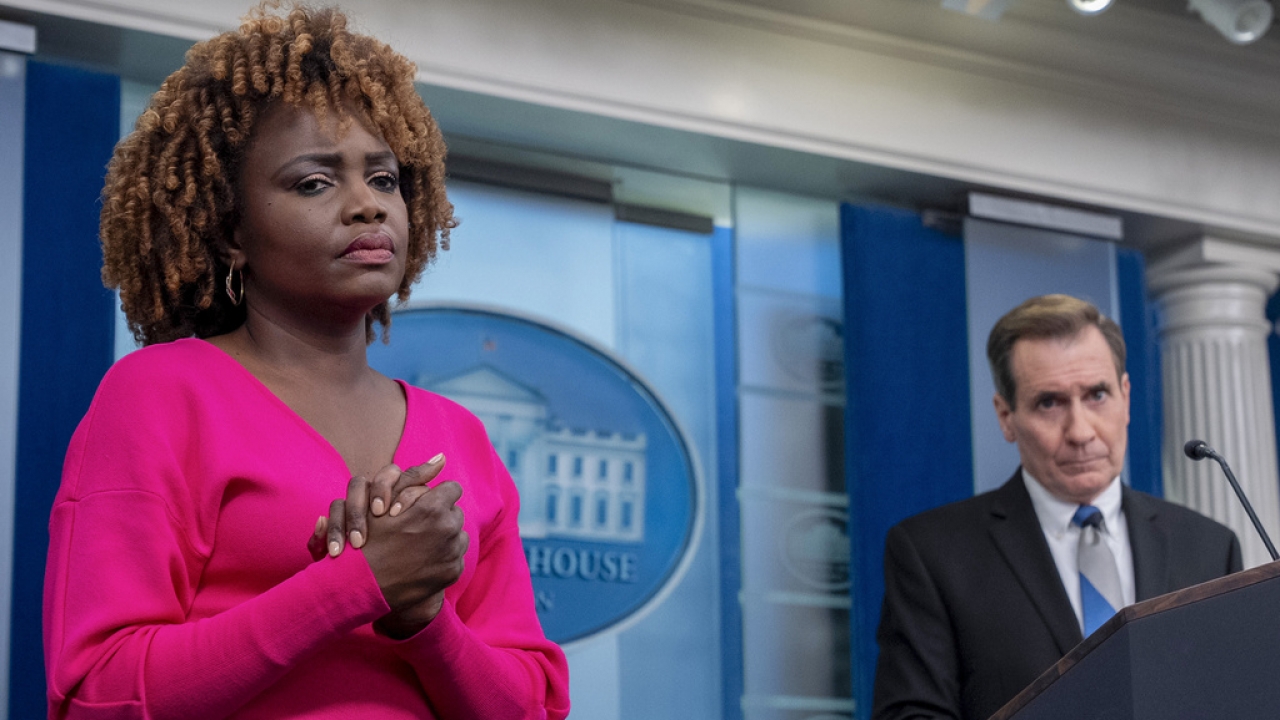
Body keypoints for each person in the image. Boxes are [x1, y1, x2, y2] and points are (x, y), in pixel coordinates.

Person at [42, 4, 570, 718]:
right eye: (314, 183)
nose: (366, 206)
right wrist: (357, 583)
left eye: (383, 180)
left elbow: (531, 708)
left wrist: (422, 619)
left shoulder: (461, 439)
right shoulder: (160, 394)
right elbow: (94, 693)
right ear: (231, 231)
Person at [871, 294, 1241, 720]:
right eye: (1049, 402)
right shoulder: (933, 554)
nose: (1080, 431)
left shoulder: (1210, 547)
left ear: (1126, 397)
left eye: (1097, 395)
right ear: (1006, 416)